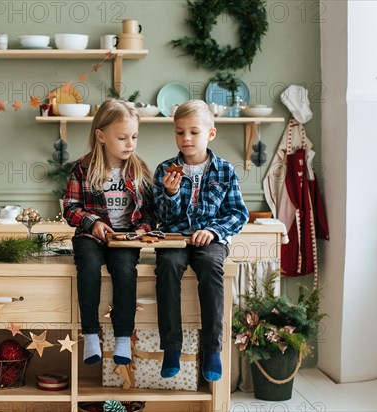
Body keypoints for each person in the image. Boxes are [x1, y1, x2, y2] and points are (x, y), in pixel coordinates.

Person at [153, 100, 248, 381]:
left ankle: (212, 349)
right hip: (174, 237)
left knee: (209, 267)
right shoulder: (165, 170)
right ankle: (171, 347)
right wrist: (170, 195)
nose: (186, 139)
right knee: (168, 266)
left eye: (194, 132)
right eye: (180, 132)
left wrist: (214, 231)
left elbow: (238, 213)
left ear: (211, 134)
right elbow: (159, 215)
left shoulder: (225, 171)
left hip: (211, 239)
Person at [63, 99, 155, 366]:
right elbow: (70, 207)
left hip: (126, 237)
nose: (130, 143)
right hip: (90, 237)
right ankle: (91, 334)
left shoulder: (139, 169)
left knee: (126, 272)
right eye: (122, 137)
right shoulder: (83, 168)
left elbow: (150, 212)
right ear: (101, 136)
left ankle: (124, 338)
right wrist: (92, 222)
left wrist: (142, 229)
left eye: (134, 136)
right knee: (89, 267)